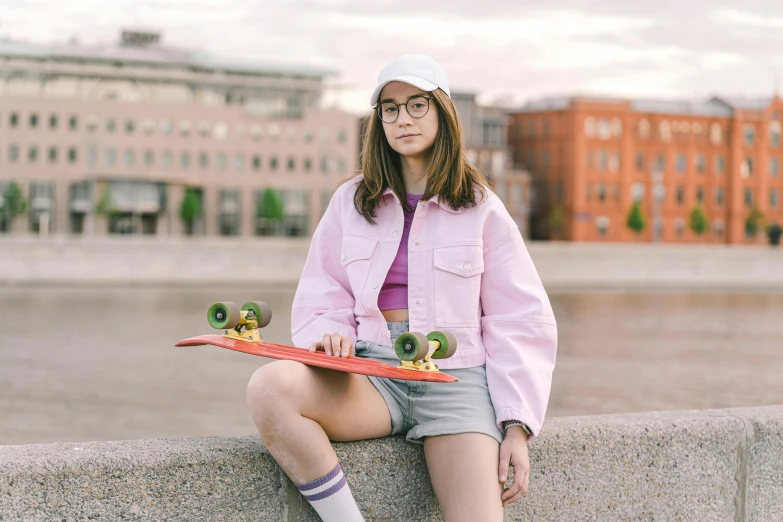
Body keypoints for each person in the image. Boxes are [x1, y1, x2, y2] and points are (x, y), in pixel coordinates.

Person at [246, 54, 558, 522]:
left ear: (442, 113)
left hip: (456, 381)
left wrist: (517, 426)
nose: (402, 119)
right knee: (270, 387)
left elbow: (519, 318)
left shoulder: (481, 208)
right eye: (389, 109)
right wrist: (328, 336)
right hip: (370, 374)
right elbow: (323, 292)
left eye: (416, 105)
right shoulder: (350, 202)